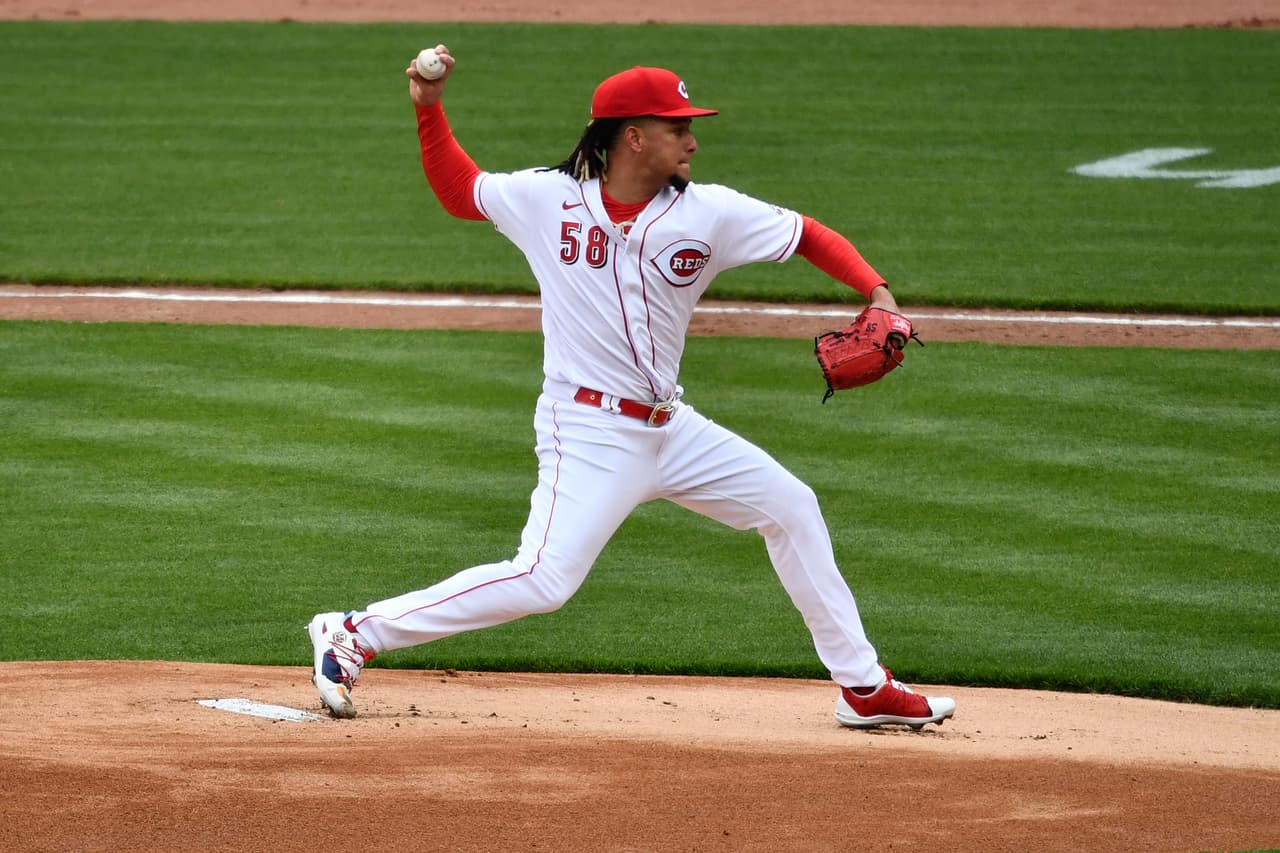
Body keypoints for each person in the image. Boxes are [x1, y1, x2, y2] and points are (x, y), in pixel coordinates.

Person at [307, 46, 956, 730]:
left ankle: (862, 686)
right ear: (634, 137)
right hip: (586, 431)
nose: (693, 139)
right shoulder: (544, 198)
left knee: (791, 506)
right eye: (678, 128)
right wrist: (429, 109)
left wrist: (878, 291)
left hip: (670, 429)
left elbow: (807, 235)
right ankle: (353, 631)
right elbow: (458, 189)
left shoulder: (711, 214)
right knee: (544, 579)